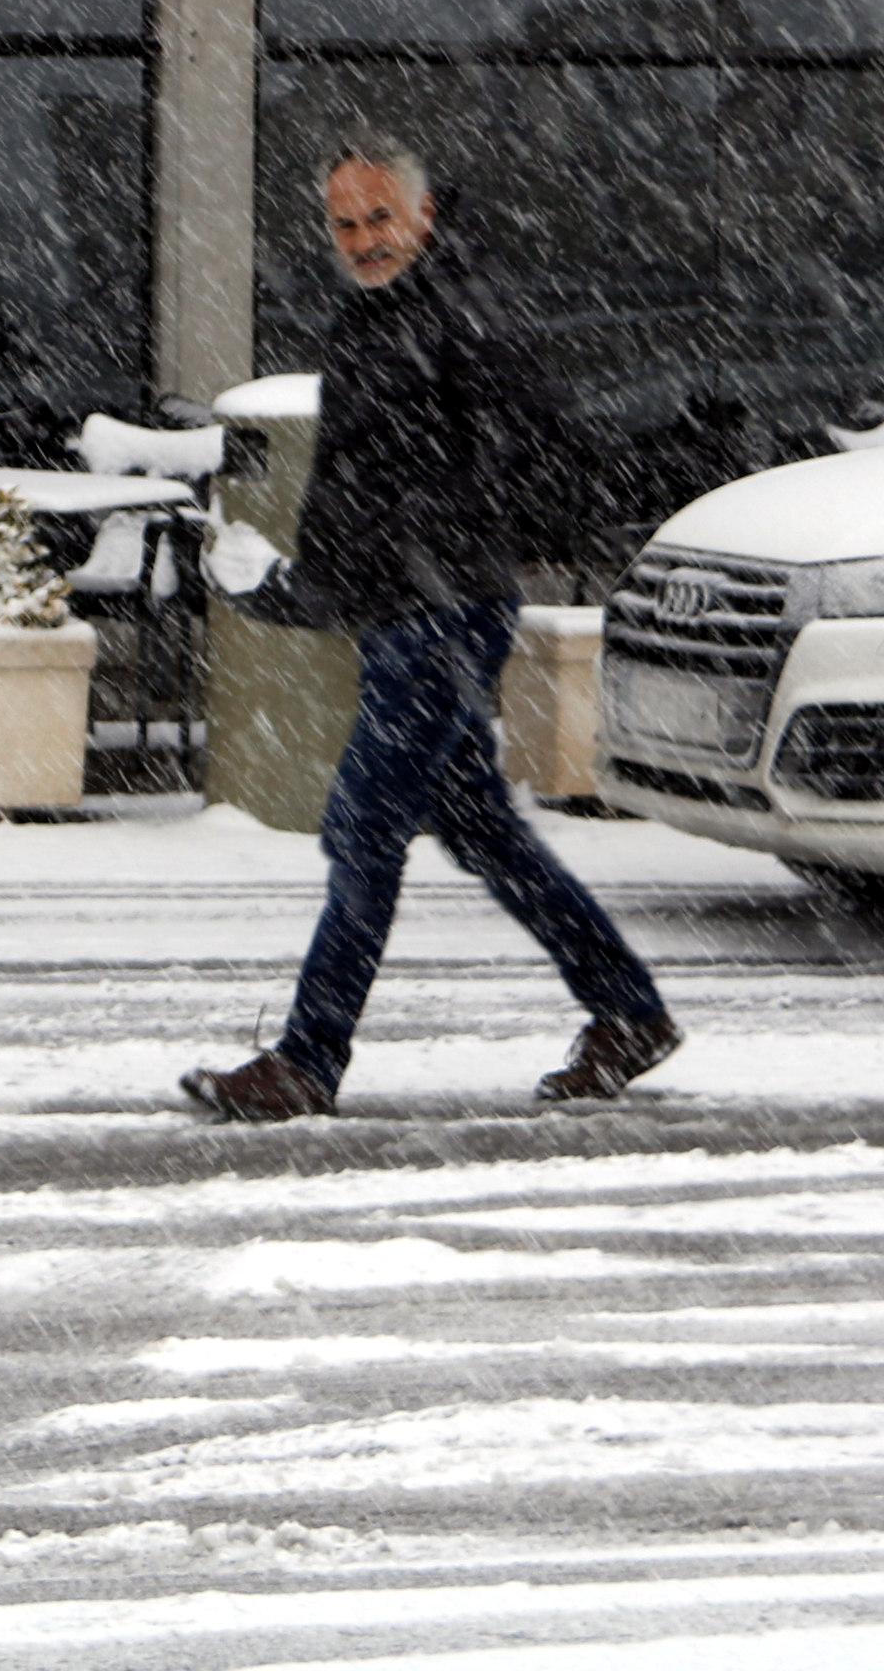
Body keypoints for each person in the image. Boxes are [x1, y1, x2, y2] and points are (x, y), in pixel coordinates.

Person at [182, 140, 676, 1121]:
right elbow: (360, 486)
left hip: (442, 612)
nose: (362, 241)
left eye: (378, 220)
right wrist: (301, 586)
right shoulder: (377, 315)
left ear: (422, 215)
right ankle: (627, 1011)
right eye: (346, 224)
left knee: (365, 827)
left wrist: (448, 534)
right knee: (485, 831)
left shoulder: (463, 312)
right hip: (403, 609)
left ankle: (307, 1061)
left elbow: (535, 450)